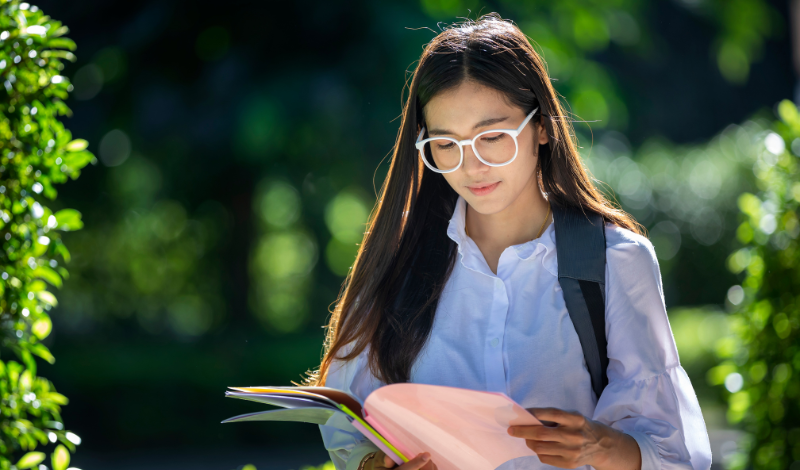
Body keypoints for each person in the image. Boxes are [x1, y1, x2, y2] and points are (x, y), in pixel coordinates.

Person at [305, 13, 712, 470]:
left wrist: (599, 446)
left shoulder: (616, 261)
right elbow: (345, 430)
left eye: (492, 136)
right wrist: (374, 466)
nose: (471, 165)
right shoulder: (396, 259)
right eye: (446, 144)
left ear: (541, 126)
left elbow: (677, 454)